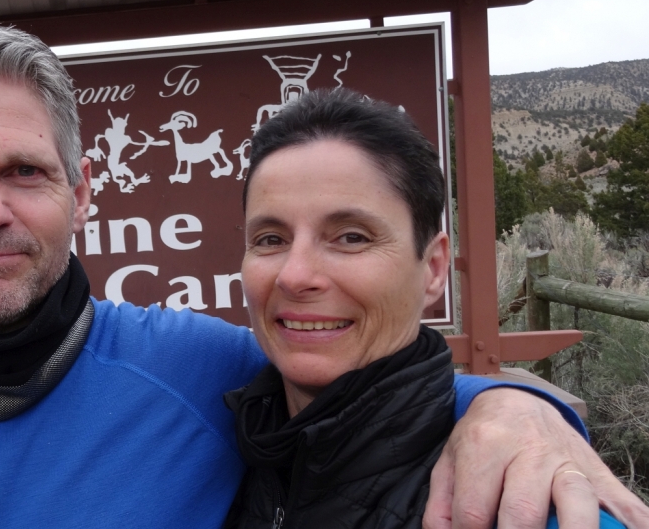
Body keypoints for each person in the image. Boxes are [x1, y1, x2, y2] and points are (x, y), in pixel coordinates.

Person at [0, 18, 649, 529]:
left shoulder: (199, 373)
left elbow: (375, 389)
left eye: (26, 172)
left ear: (83, 192)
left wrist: (518, 406)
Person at [220, 89, 624, 528]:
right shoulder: (219, 444)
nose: (294, 276)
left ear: (433, 268)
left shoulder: (532, 505)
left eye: (352, 237)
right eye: (270, 239)